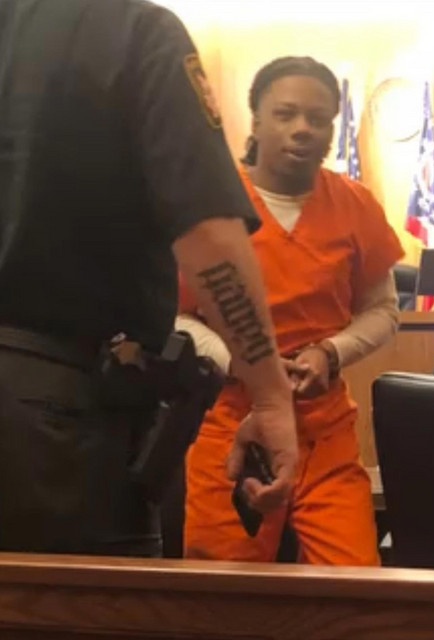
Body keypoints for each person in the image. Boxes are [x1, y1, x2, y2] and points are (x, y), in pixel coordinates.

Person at [0, 0, 297, 556]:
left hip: (53, 415)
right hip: (63, 427)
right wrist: (270, 396)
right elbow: (207, 234)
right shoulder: (132, 31)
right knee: (85, 604)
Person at [179, 56, 404, 565]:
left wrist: (331, 352)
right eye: (285, 114)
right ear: (256, 121)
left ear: (332, 130)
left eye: (317, 118)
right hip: (232, 422)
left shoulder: (355, 204)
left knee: (354, 584)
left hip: (324, 429)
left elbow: (383, 309)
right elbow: (178, 316)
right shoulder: (211, 208)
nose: (302, 128)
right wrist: (244, 365)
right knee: (222, 591)